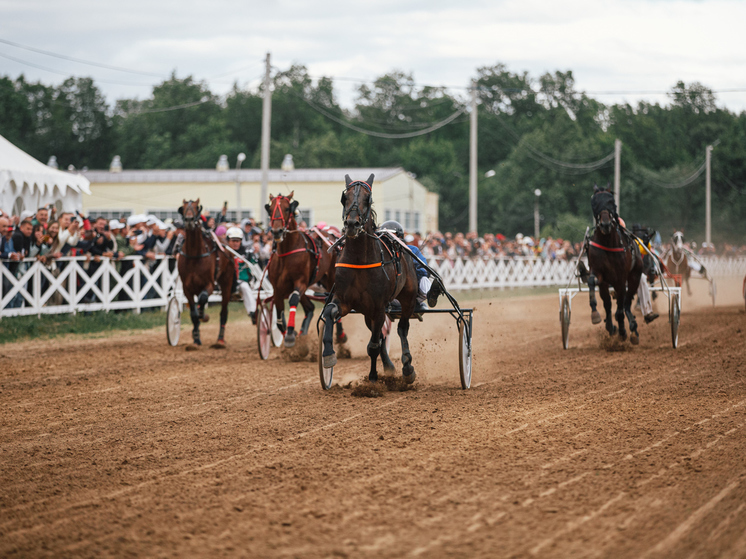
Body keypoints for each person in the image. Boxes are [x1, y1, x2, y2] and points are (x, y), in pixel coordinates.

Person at [226, 226, 256, 323]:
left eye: (238, 241)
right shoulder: (223, 253)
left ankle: (253, 312)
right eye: (233, 240)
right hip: (225, 284)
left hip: (241, 282)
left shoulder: (246, 253)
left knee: (245, 287)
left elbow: (254, 267)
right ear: (228, 241)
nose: (235, 243)